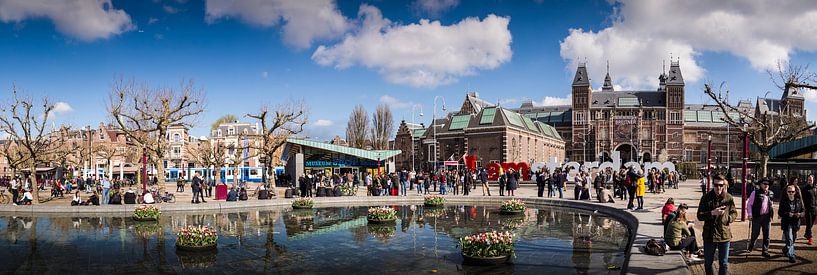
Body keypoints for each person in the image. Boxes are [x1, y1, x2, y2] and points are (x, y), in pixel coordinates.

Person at [696, 175, 737, 275]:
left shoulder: (728, 198)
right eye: (716, 185)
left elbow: (734, 212)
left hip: (724, 234)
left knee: (724, 263)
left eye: (721, 185)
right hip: (709, 235)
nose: (718, 187)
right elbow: (699, 216)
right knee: (708, 263)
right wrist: (712, 213)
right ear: (713, 185)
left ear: (723, 185)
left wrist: (728, 218)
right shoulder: (706, 198)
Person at [746, 178, 774, 258]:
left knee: (767, 235)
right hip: (757, 216)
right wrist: (750, 214)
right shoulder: (755, 193)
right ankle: (751, 244)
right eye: (764, 183)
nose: (766, 185)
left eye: (767, 184)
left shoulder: (771, 193)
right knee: (755, 233)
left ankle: (765, 251)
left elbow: (771, 204)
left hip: (767, 217)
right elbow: (749, 204)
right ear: (760, 184)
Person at [779, 184, 804, 263]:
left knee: (792, 239)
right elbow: (780, 212)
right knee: (789, 239)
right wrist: (787, 214)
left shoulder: (799, 201)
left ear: (795, 192)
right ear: (786, 192)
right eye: (789, 191)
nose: (791, 193)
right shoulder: (783, 201)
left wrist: (800, 214)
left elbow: (803, 211)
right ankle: (792, 255)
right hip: (787, 222)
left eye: (792, 191)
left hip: (795, 223)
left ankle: (785, 249)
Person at [802, 175, 816, 246]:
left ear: (813, 180)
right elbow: (802, 200)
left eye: (811, 179)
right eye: (809, 179)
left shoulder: (815, 188)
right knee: (808, 223)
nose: (810, 180)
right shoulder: (804, 189)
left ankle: (806, 233)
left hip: (815, 209)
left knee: (811, 224)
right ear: (807, 180)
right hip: (808, 209)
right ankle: (810, 238)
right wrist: (803, 208)